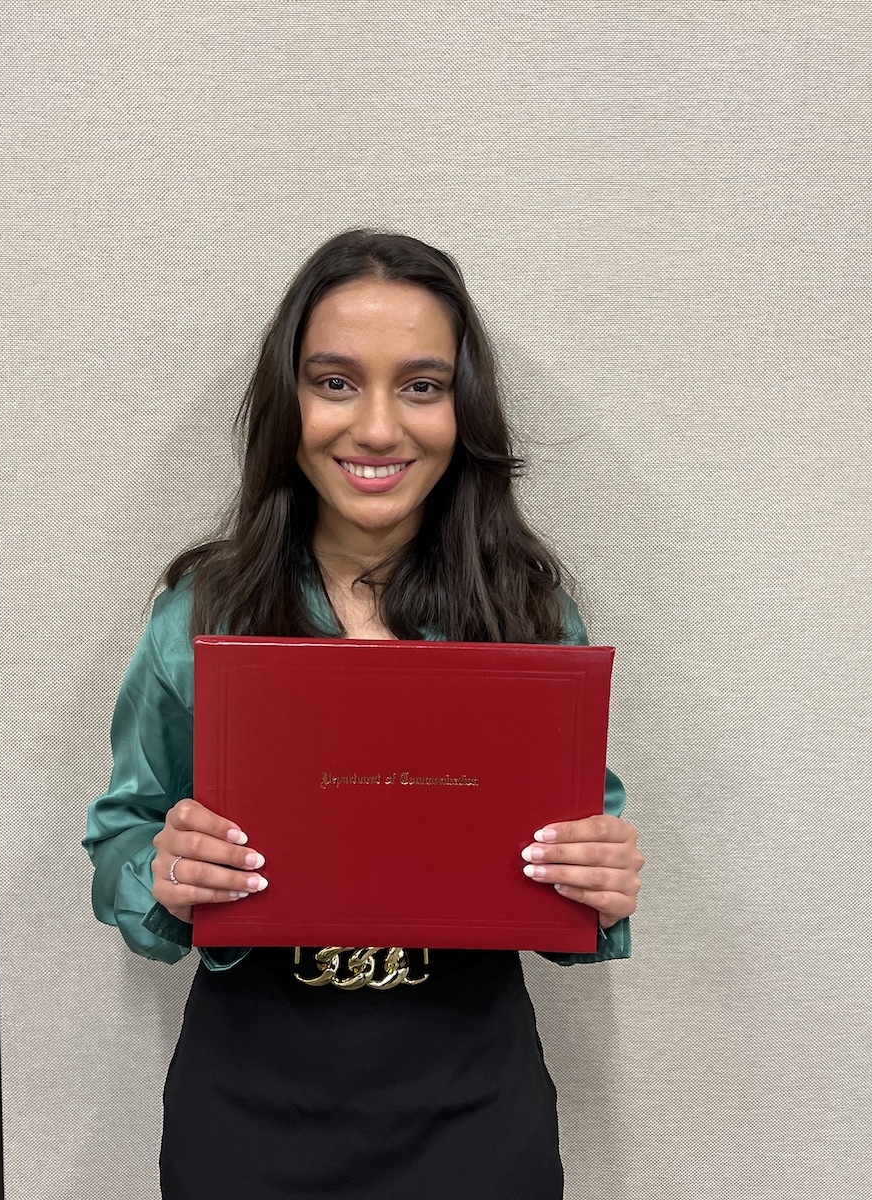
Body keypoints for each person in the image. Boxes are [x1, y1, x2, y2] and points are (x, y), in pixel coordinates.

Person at [83, 229, 645, 1200]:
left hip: (472, 1111)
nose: (378, 427)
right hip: (248, 1109)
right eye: (335, 382)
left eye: (421, 386)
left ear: (461, 409)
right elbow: (122, 838)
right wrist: (161, 872)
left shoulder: (527, 617)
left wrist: (596, 878)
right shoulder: (200, 620)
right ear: (288, 403)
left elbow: (567, 892)